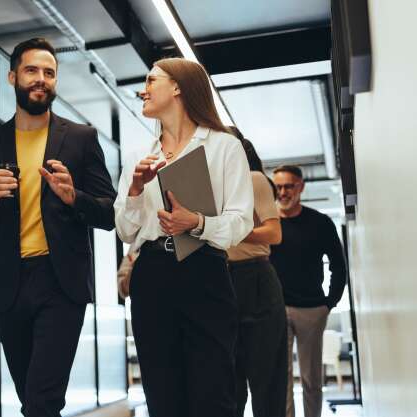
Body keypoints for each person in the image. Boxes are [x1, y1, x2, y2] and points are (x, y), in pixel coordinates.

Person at [0, 38, 116, 417]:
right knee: (32, 401)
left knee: (42, 401)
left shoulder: (81, 139)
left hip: (61, 284)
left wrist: (75, 197)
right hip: (10, 285)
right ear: (12, 77)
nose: (41, 79)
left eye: (49, 73)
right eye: (31, 70)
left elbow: (109, 213)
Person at [114, 57, 253, 417]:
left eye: (151, 80)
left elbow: (241, 222)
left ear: (177, 86)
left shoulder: (224, 146)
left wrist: (197, 222)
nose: (142, 90)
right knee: (162, 394)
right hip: (152, 275)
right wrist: (134, 190)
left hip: (204, 271)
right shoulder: (137, 157)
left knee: (214, 392)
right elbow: (126, 230)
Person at [269, 165, 347, 417]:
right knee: (282, 380)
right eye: (278, 187)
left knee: (311, 379)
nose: (282, 192)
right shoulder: (267, 226)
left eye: (288, 186)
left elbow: (339, 266)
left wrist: (329, 304)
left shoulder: (320, 223)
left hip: (312, 310)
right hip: (275, 311)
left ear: (301, 187)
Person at [227, 127, 287, 417]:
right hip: (221, 281)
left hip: (255, 279)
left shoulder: (253, 179)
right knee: (228, 383)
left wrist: (231, 231)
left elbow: (274, 234)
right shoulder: (209, 187)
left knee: (266, 381)